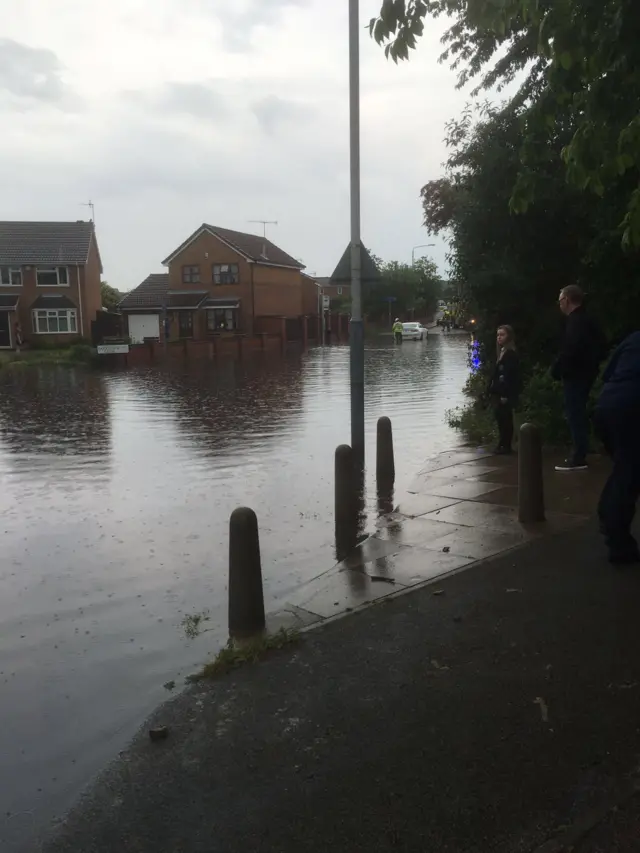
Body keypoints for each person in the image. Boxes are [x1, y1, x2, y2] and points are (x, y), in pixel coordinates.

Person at [594, 331, 640, 565]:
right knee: (629, 471)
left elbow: (607, 374)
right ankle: (618, 540)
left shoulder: (633, 338)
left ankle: (608, 514)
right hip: (632, 407)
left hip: (608, 404)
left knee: (625, 466)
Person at [552, 285, 606, 471]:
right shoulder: (589, 319)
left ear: (567, 300)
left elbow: (571, 350)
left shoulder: (575, 322)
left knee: (575, 413)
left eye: (560, 300)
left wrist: (558, 369)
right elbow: (602, 345)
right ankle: (584, 448)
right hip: (587, 373)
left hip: (575, 375)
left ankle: (579, 456)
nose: (559, 304)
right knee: (579, 412)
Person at [488, 325, 521, 454]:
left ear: (509, 337)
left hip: (505, 392)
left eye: (502, 335)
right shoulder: (501, 352)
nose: (499, 337)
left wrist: (505, 394)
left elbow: (509, 375)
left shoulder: (510, 354)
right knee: (500, 418)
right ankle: (502, 443)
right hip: (498, 391)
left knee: (505, 418)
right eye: (498, 335)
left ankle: (506, 445)